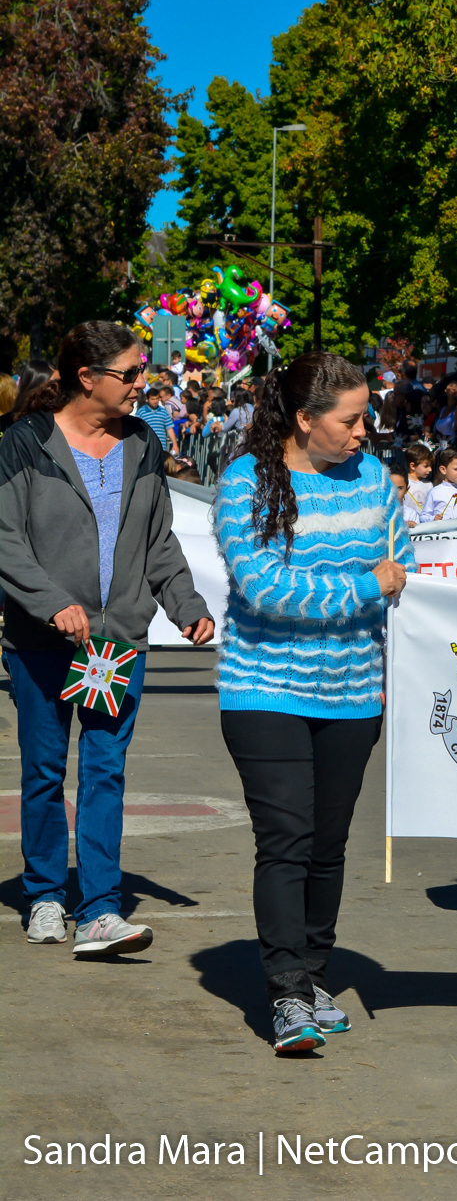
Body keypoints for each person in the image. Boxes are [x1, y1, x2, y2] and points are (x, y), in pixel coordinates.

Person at [212, 351, 416, 1052]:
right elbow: (266, 589)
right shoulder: (246, 482)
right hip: (264, 686)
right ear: (305, 419)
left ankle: (316, 973)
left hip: (354, 691)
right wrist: (366, 586)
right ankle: (287, 993)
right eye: (352, 419)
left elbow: (405, 565)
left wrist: (390, 577)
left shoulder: (375, 482)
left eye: (367, 417)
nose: (365, 431)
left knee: (329, 847)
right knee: (288, 840)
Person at [2, 323, 213, 956]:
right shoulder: (24, 442)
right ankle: (44, 894)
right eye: (131, 373)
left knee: (105, 772)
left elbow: (158, 539)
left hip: (116, 642)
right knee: (43, 772)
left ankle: (99, 908)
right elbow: (5, 537)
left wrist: (185, 604)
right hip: (42, 643)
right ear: (87, 378)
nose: (142, 384)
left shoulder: (143, 442)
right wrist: (49, 604)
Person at [420, 448, 457, 522]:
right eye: (456, 469)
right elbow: (423, 517)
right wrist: (433, 518)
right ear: (443, 470)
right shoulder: (435, 492)